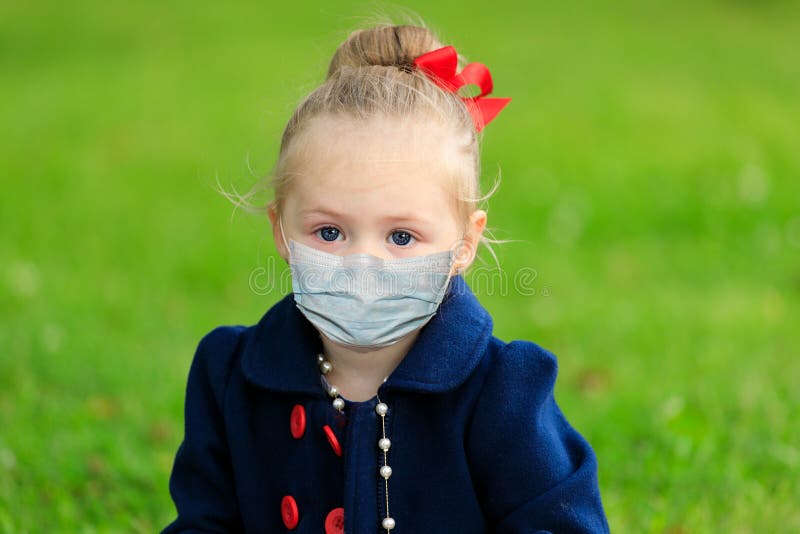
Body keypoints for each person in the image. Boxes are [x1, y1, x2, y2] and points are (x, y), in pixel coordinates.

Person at [162, 22, 610, 534]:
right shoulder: (232, 380)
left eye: (401, 237)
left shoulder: (502, 392)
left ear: (464, 243)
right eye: (329, 231)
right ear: (281, 231)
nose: (363, 264)